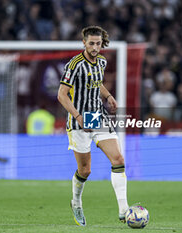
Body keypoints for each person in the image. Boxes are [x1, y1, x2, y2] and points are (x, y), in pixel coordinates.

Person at [57, 25, 128, 226]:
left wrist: (108, 96)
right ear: (84, 43)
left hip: (97, 116)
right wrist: (78, 116)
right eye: (91, 43)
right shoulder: (74, 65)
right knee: (85, 170)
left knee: (118, 158)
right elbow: (61, 95)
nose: (95, 47)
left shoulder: (102, 62)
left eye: (98, 43)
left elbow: (97, 83)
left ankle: (124, 210)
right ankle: (76, 202)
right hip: (78, 122)